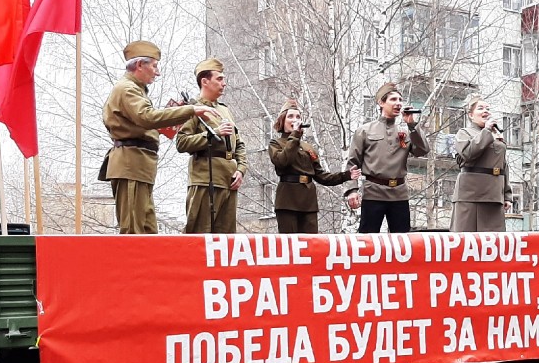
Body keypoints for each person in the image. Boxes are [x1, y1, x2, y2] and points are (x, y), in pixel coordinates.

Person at [102, 40, 218, 234]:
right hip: (131, 165)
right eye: (154, 66)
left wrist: (176, 113)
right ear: (140, 65)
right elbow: (147, 117)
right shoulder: (127, 89)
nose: (158, 72)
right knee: (134, 231)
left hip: (139, 166)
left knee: (147, 232)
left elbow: (144, 120)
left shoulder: (134, 90)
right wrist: (191, 110)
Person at [344, 82, 430, 233]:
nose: (398, 103)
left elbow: (422, 150)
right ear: (381, 102)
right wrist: (352, 190)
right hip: (373, 193)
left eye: (400, 100)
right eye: (393, 100)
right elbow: (352, 163)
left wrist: (412, 125)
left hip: (399, 194)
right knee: (368, 242)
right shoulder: (364, 131)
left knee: (402, 243)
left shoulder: (407, 131)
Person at [176, 58, 247, 234]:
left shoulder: (224, 110)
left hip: (228, 181)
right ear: (205, 81)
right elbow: (182, 142)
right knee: (199, 235)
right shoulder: (193, 109)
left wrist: (241, 169)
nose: (224, 83)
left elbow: (238, 143)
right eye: (219, 79)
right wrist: (211, 133)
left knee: (226, 241)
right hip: (205, 180)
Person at [268, 99, 360, 233]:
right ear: (282, 120)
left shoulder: (307, 147)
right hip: (287, 200)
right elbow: (283, 161)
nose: (295, 119)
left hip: (308, 202)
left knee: (311, 245)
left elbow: (321, 176)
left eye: (298, 116)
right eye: (291, 116)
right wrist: (294, 135)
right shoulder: (276, 143)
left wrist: (345, 176)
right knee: (290, 245)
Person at [451, 95, 512, 232]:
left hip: (494, 195)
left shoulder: (495, 135)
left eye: (487, 109)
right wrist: (486, 132)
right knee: (466, 240)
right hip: (470, 195)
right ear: (471, 115)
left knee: (493, 243)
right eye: (480, 108)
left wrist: (507, 195)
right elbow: (468, 153)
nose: (486, 111)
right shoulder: (464, 133)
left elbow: (503, 165)